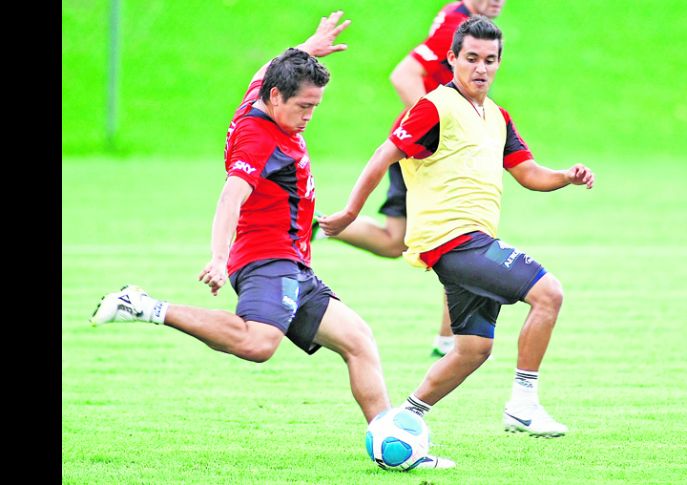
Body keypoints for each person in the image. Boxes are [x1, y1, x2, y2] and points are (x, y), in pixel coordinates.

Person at [89, 11, 454, 469]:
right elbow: (231, 195)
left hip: (294, 261)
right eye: (304, 106)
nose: (309, 116)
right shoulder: (257, 138)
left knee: (358, 339)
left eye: (316, 106)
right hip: (266, 258)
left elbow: (267, 67)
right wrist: (218, 258)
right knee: (259, 344)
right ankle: (143, 306)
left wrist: (310, 46)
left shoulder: (262, 94)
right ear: (277, 98)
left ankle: (392, 449)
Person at [320, 15, 594, 438]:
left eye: (489, 59)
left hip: (473, 240)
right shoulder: (434, 107)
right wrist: (351, 213)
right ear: (451, 59)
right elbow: (382, 155)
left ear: (499, 62)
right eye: (471, 58)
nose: (480, 68)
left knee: (472, 349)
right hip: (452, 241)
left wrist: (565, 176)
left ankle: (402, 420)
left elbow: (528, 173)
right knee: (549, 293)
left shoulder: (498, 117)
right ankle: (523, 404)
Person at [316, 0, 507, 358]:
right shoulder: (457, 24)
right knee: (464, 238)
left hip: (418, 148)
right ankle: (449, 342)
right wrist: (442, 127)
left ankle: (315, 226)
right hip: (425, 153)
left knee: (395, 241)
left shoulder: (461, 19)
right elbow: (403, 74)